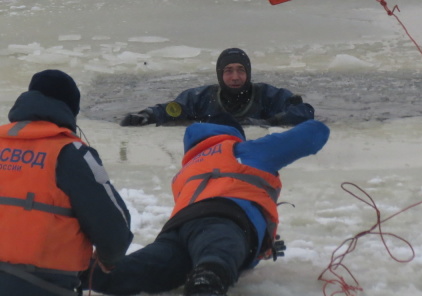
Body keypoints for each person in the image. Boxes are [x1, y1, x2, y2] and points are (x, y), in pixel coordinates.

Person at [86, 114, 330, 296]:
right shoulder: (243, 151)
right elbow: (315, 133)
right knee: (211, 270)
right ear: (233, 135)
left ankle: (75, 272)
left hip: (176, 232)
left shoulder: (185, 172)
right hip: (223, 222)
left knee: (120, 274)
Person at [0, 69, 133, 296]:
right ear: (69, 109)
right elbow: (114, 228)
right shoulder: (70, 153)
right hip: (40, 285)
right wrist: (108, 259)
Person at [120, 47, 314, 127]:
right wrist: (146, 115)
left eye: (241, 70)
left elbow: (305, 111)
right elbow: (171, 109)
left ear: (248, 72)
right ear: (220, 74)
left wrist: (272, 121)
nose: (235, 77)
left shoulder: (267, 95)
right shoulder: (200, 97)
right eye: (229, 71)